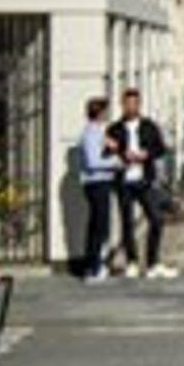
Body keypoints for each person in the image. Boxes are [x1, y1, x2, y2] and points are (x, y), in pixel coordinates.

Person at [113, 88, 176, 280]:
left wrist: (146, 154)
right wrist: (124, 155)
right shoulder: (114, 129)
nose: (132, 107)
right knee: (127, 223)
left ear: (139, 105)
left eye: (135, 103)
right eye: (128, 103)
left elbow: (160, 148)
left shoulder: (149, 126)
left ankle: (152, 263)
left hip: (144, 179)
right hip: (124, 180)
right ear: (122, 105)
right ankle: (132, 261)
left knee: (156, 218)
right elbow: (107, 153)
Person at [76, 96, 120, 282]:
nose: (108, 114)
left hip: (100, 182)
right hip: (96, 183)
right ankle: (92, 268)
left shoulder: (97, 133)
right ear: (100, 112)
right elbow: (93, 162)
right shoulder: (91, 134)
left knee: (100, 225)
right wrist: (115, 162)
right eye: (106, 111)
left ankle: (95, 265)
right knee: (98, 226)